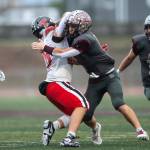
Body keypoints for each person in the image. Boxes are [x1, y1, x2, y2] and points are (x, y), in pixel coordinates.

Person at [35, 10, 149, 141]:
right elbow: (78, 59)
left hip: (109, 77)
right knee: (85, 113)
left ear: (82, 26)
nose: (70, 28)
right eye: (70, 25)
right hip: (95, 80)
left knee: (118, 103)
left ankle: (140, 130)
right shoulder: (76, 38)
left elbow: (63, 53)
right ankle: (55, 127)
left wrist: (45, 47)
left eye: (73, 26)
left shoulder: (84, 39)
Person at [31, 16, 90, 147]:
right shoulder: (50, 32)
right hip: (57, 82)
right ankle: (69, 138)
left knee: (76, 114)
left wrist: (96, 53)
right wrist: (69, 15)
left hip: (55, 83)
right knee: (83, 104)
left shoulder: (48, 40)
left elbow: (71, 59)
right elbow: (60, 28)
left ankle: (52, 127)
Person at [118, 15, 150, 101]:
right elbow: (129, 58)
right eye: (147, 27)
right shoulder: (141, 42)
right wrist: (118, 71)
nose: (149, 30)